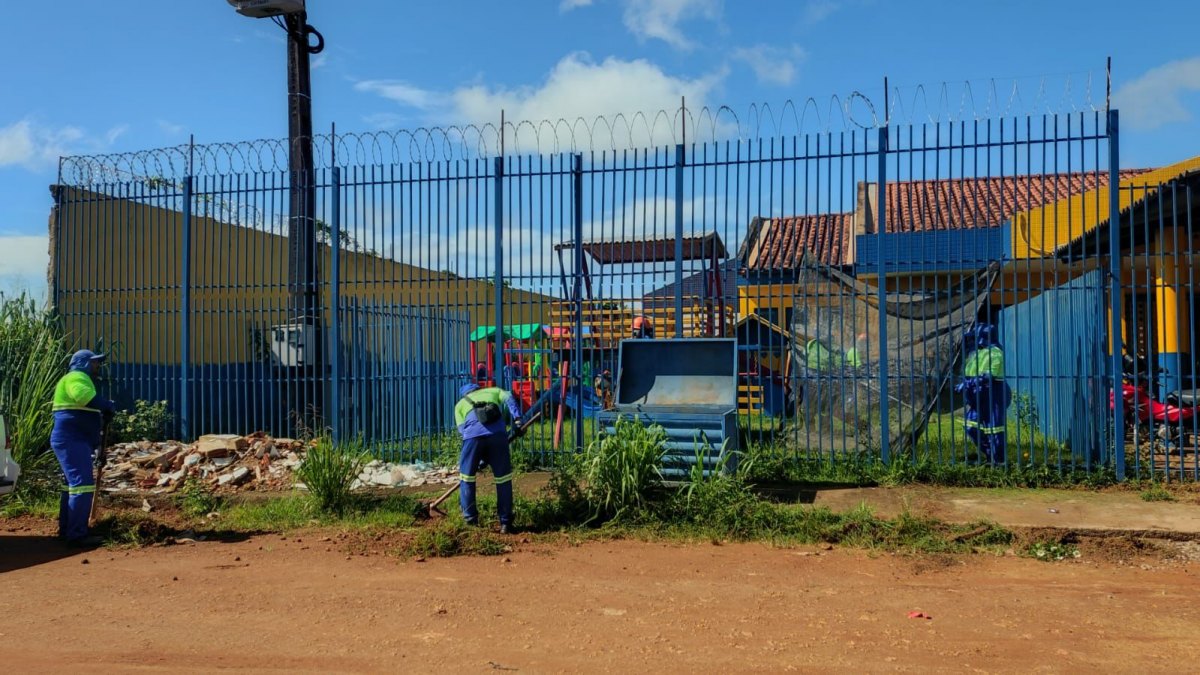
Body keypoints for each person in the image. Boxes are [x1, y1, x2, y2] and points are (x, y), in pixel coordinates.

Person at [50, 349, 115, 548]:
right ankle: (77, 534)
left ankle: (68, 529)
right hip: (72, 440)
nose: (97, 365)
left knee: (71, 485)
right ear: (83, 363)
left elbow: (85, 416)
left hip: (75, 440)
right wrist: (107, 405)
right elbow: (86, 398)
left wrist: (96, 448)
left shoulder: (77, 379)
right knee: (82, 485)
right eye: (94, 362)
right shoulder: (76, 377)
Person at [453, 383, 524, 534]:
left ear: (465, 394)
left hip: (472, 439)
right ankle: (506, 523)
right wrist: (518, 419)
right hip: (498, 436)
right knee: (503, 479)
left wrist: (478, 458)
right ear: (479, 389)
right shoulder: (494, 391)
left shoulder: (460, 404)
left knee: (466, 478)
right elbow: (509, 398)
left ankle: (470, 520)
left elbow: (463, 431)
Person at [954, 323, 1011, 465]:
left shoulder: (996, 352)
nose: (971, 342)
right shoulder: (977, 354)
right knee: (970, 426)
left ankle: (999, 462)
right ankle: (990, 455)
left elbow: (988, 376)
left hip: (993, 395)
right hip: (978, 397)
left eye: (974, 338)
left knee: (994, 429)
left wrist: (967, 384)